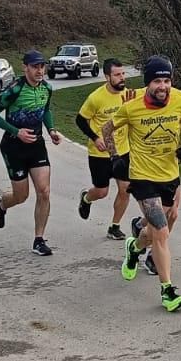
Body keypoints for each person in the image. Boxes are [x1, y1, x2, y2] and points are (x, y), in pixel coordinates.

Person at [115, 56, 181, 312]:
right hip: (143, 177)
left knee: (170, 218)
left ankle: (134, 248)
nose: (163, 86)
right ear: (148, 83)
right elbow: (107, 128)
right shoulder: (132, 108)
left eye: (166, 80)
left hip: (170, 175)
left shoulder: (180, 99)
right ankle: (167, 291)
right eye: (157, 80)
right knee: (161, 231)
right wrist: (115, 156)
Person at [0, 50, 64, 256]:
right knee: (21, 196)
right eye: (35, 66)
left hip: (36, 145)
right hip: (13, 146)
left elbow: (46, 110)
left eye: (42, 66)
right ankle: (1, 205)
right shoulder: (14, 89)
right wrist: (16, 131)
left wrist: (52, 130)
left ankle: (39, 239)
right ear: (25, 68)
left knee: (44, 191)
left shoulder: (47, 88)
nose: (40, 71)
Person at [75, 59, 141, 239]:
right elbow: (80, 120)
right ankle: (86, 198)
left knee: (125, 188)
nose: (122, 78)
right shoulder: (95, 98)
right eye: (117, 75)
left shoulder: (128, 96)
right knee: (102, 192)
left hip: (122, 150)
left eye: (123, 74)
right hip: (100, 153)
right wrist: (95, 138)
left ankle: (114, 225)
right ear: (107, 77)